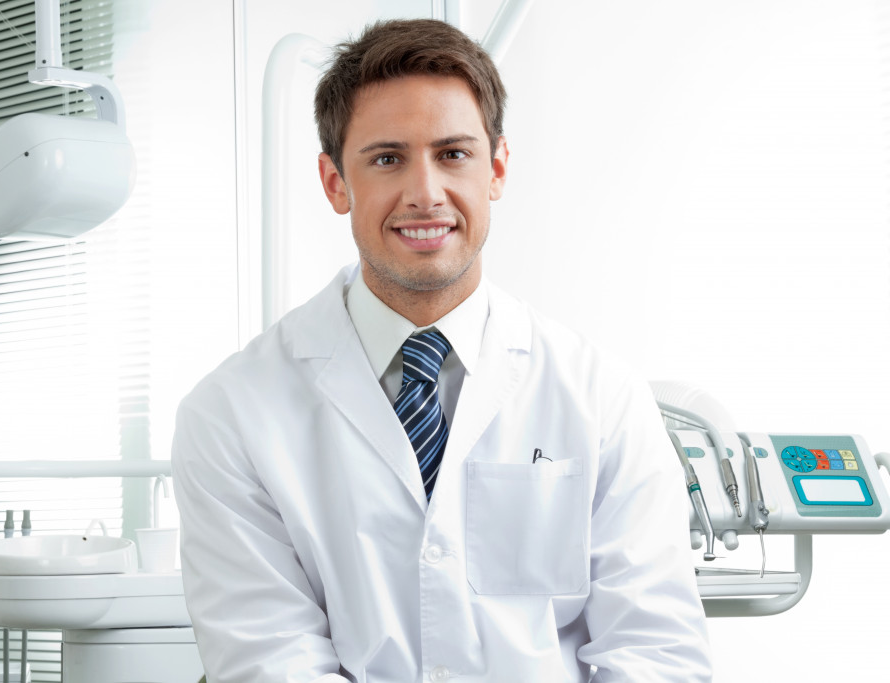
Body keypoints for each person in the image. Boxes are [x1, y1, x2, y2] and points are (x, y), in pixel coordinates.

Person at [172, 18, 712, 682]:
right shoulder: (231, 414)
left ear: (498, 168)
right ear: (335, 181)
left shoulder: (603, 396)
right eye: (387, 158)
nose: (425, 193)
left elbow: (654, 651)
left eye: (453, 153)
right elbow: (271, 659)